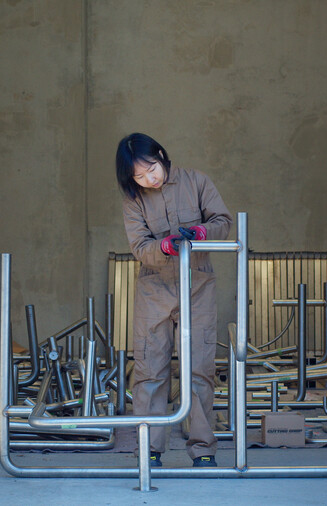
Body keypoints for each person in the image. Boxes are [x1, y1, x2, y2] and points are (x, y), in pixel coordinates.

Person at [114, 132, 232, 468]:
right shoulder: (133, 200)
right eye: (139, 176)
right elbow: (139, 247)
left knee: (199, 370)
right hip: (155, 288)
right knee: (150, 371)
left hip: (198, 283)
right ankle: (149, 450)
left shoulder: (197, 181)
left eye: (151, 169)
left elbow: (223, 221)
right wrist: (163, 246)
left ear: (162, 156)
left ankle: (203, 449)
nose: (148, 180)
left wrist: (200, 233)